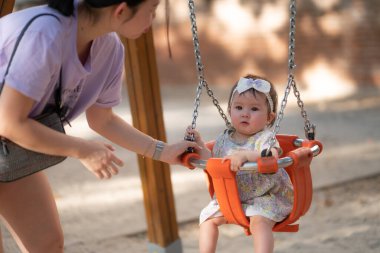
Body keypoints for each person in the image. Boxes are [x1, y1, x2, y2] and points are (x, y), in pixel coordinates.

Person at [0, 0, 199, 252]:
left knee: (46, 244)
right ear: (120, 10)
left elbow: (103, 119)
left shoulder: (110, 49)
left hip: (8, 148)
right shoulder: (44, 34)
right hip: (7, 131)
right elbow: (9, 121)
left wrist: (163, 151)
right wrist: (83, 150)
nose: (152, 20)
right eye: (151, 11)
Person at [186, 74, 294, 253]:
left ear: (269, 117)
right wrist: (199, 145)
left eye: (254, 109)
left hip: (265, 196)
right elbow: (211, 160)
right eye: (238, 107)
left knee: (259, 222)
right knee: (206, 220)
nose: (245, 113)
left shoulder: (266, 138)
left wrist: (246, 156)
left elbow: (273, 155)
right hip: (232, 197)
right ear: (229, 111)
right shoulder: (224, 139)